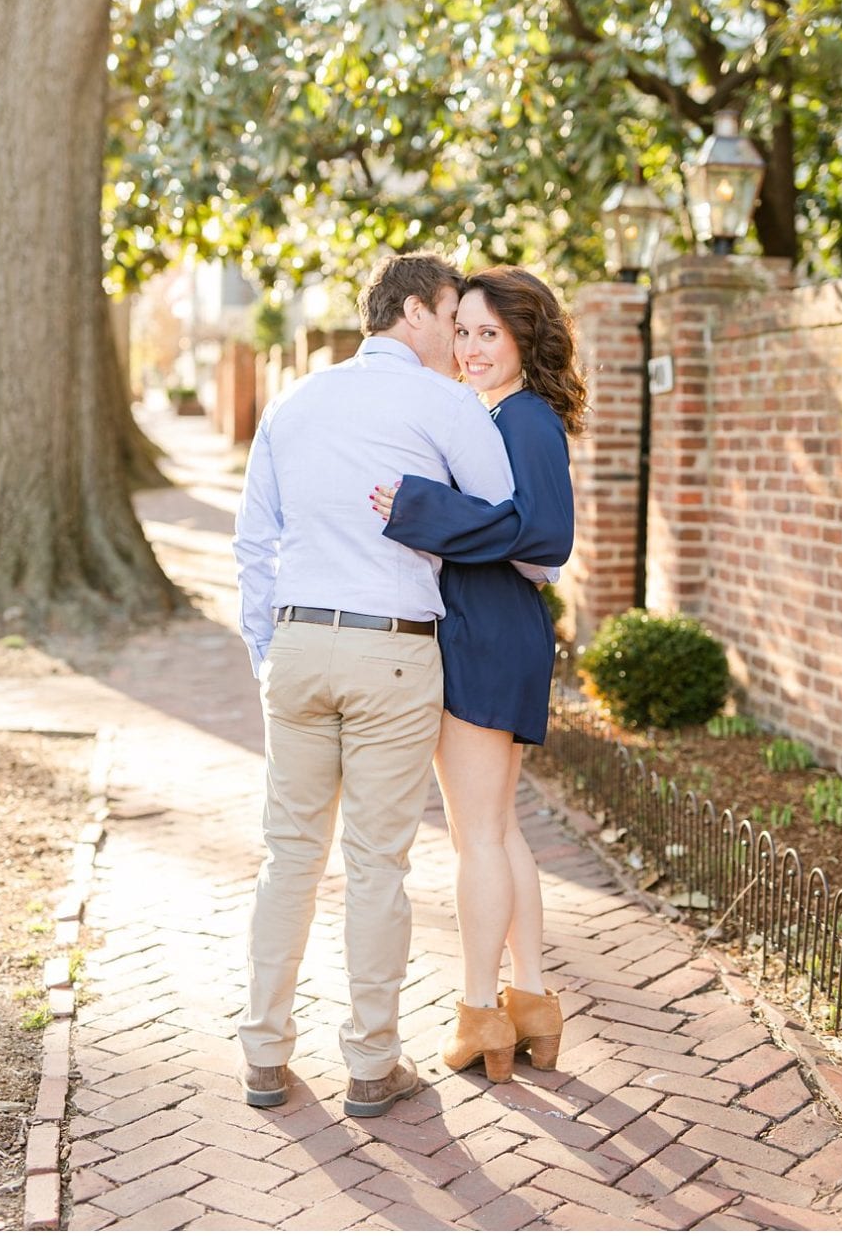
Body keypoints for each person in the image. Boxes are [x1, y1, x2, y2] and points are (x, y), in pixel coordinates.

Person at [232, 252, 519, 1119]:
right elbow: (505, 511)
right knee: (376, 863)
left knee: (288, 855)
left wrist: (265, 654)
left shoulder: (294, 401)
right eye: (452, 316)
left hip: (298, 643)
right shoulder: (445, 405)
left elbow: (254, 546)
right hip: (393, 648)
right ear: (418, 311)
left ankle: (263, 1056)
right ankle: (370, 1064)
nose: (460, 336)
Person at [369, 266, 583, 1083]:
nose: (469, 348)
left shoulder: (523, 418)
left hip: (489, 636)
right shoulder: (499, 414)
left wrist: (420, 506)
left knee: (478, 836)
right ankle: (530, 1002)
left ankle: (477, 1012)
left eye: (488, 333)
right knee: (498, 828)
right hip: (500, 632)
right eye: (462, 332)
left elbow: (543, 536)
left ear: (525, 338)